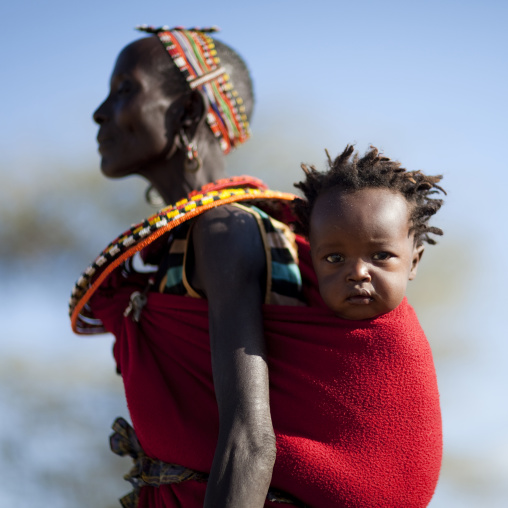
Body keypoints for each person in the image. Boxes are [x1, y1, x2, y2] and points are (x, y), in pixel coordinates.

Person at [70, 25, 443, 507]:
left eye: (125, 90)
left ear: (187, 111)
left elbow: (250, 441)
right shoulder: (196, 239)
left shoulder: (226, 231)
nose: (101, 112)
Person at [293, 144, 446, 321]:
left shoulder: (407, 346)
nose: (358, 273)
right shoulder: (278, 322)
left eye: (381, 255)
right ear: (313, 263)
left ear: (413, 262)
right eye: (334, 258)